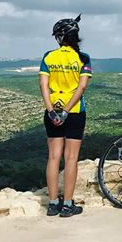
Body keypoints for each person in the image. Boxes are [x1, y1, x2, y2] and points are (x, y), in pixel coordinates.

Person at [39, 14, 92, 217]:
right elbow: (82, 87)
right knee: (71, 158)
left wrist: (52, 109)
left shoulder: (48, 56)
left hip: (52, 111)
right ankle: (68, 205)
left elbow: (43, 85)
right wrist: (67, 110)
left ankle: (52, 204)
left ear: (60, 37)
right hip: (75, 112)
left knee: (53, 157)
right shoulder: (83, 58)